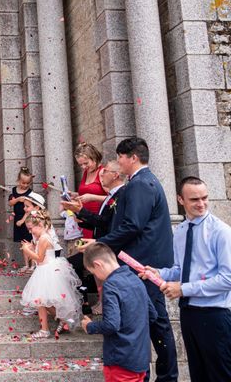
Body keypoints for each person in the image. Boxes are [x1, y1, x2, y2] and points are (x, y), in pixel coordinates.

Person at [79, 137, 178, 382]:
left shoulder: (140, 184)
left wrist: (102, 244)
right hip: (143, 262)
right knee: (150, 321)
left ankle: (166, 377)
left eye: (121, 157)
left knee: (157, 323)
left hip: (143, 264)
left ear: (133, 157)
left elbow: (133, 225)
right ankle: (147, 374)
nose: (119, 162)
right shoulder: (143, 182)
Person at [142, 177, 231, 382]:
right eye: (194, 199)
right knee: (198, 374)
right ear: (180, 200)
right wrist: (159, 273)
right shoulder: (181, 231)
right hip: (189, 314)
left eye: (204, 198)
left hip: (215, 314)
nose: (201, 204)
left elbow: (228, 279)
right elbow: (180, 269)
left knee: (221, 375)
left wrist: (183, 289)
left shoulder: (221, 232)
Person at [82, 242, 157, 382]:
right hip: (141, 358)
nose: (97, 277)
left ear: (98, 264)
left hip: (121, 360)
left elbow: (111, 324)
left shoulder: (110, 285)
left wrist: (90, 326)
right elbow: (152, 314)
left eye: (94, 273)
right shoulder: (135, 278)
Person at [62, 160, 126, 313]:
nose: (101, 173)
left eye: (106, 171)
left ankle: (101, 304)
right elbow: (102, 222)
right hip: (102, 244)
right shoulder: (111, 196)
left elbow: (111, 225)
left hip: (110, 247)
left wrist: (81, 212)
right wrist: (80, 216)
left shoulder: (121, 195)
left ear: (116, 175)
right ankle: (100, 302)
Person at [20, 209, 82, 339]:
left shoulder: (44, 238)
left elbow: (39, 258)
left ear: (40, 225)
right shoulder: (43, 237)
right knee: (41, 301)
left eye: (31, 229)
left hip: (47, 271)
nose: (30, 232)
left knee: (41, 301)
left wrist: (27, 250)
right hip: (45, 270)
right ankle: (60, 320)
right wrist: (31, 248)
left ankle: (45, 329)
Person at [73, 142, 107, 239]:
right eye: (80, 165)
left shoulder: (102, 172)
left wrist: (92, 198)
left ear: (94, 158)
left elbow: (114, 198)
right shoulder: (86, 173)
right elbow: (88, 193)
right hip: (86, 220)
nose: (83, 167)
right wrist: (75, 195)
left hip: (99, 220)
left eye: (86, 163)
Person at [8, 167, 34, 272]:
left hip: (27, 219)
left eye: (28, 183)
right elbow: (10, 202)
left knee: (30, 242)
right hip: (18, 217)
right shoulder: (14, 190)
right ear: (18, 181)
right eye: (23, 183)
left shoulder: (30, 192)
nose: (25, 185)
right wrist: (18, 199)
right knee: (23, 243)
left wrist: (23, 221)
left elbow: (29, 210)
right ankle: (26, 264)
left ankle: (33, 265)